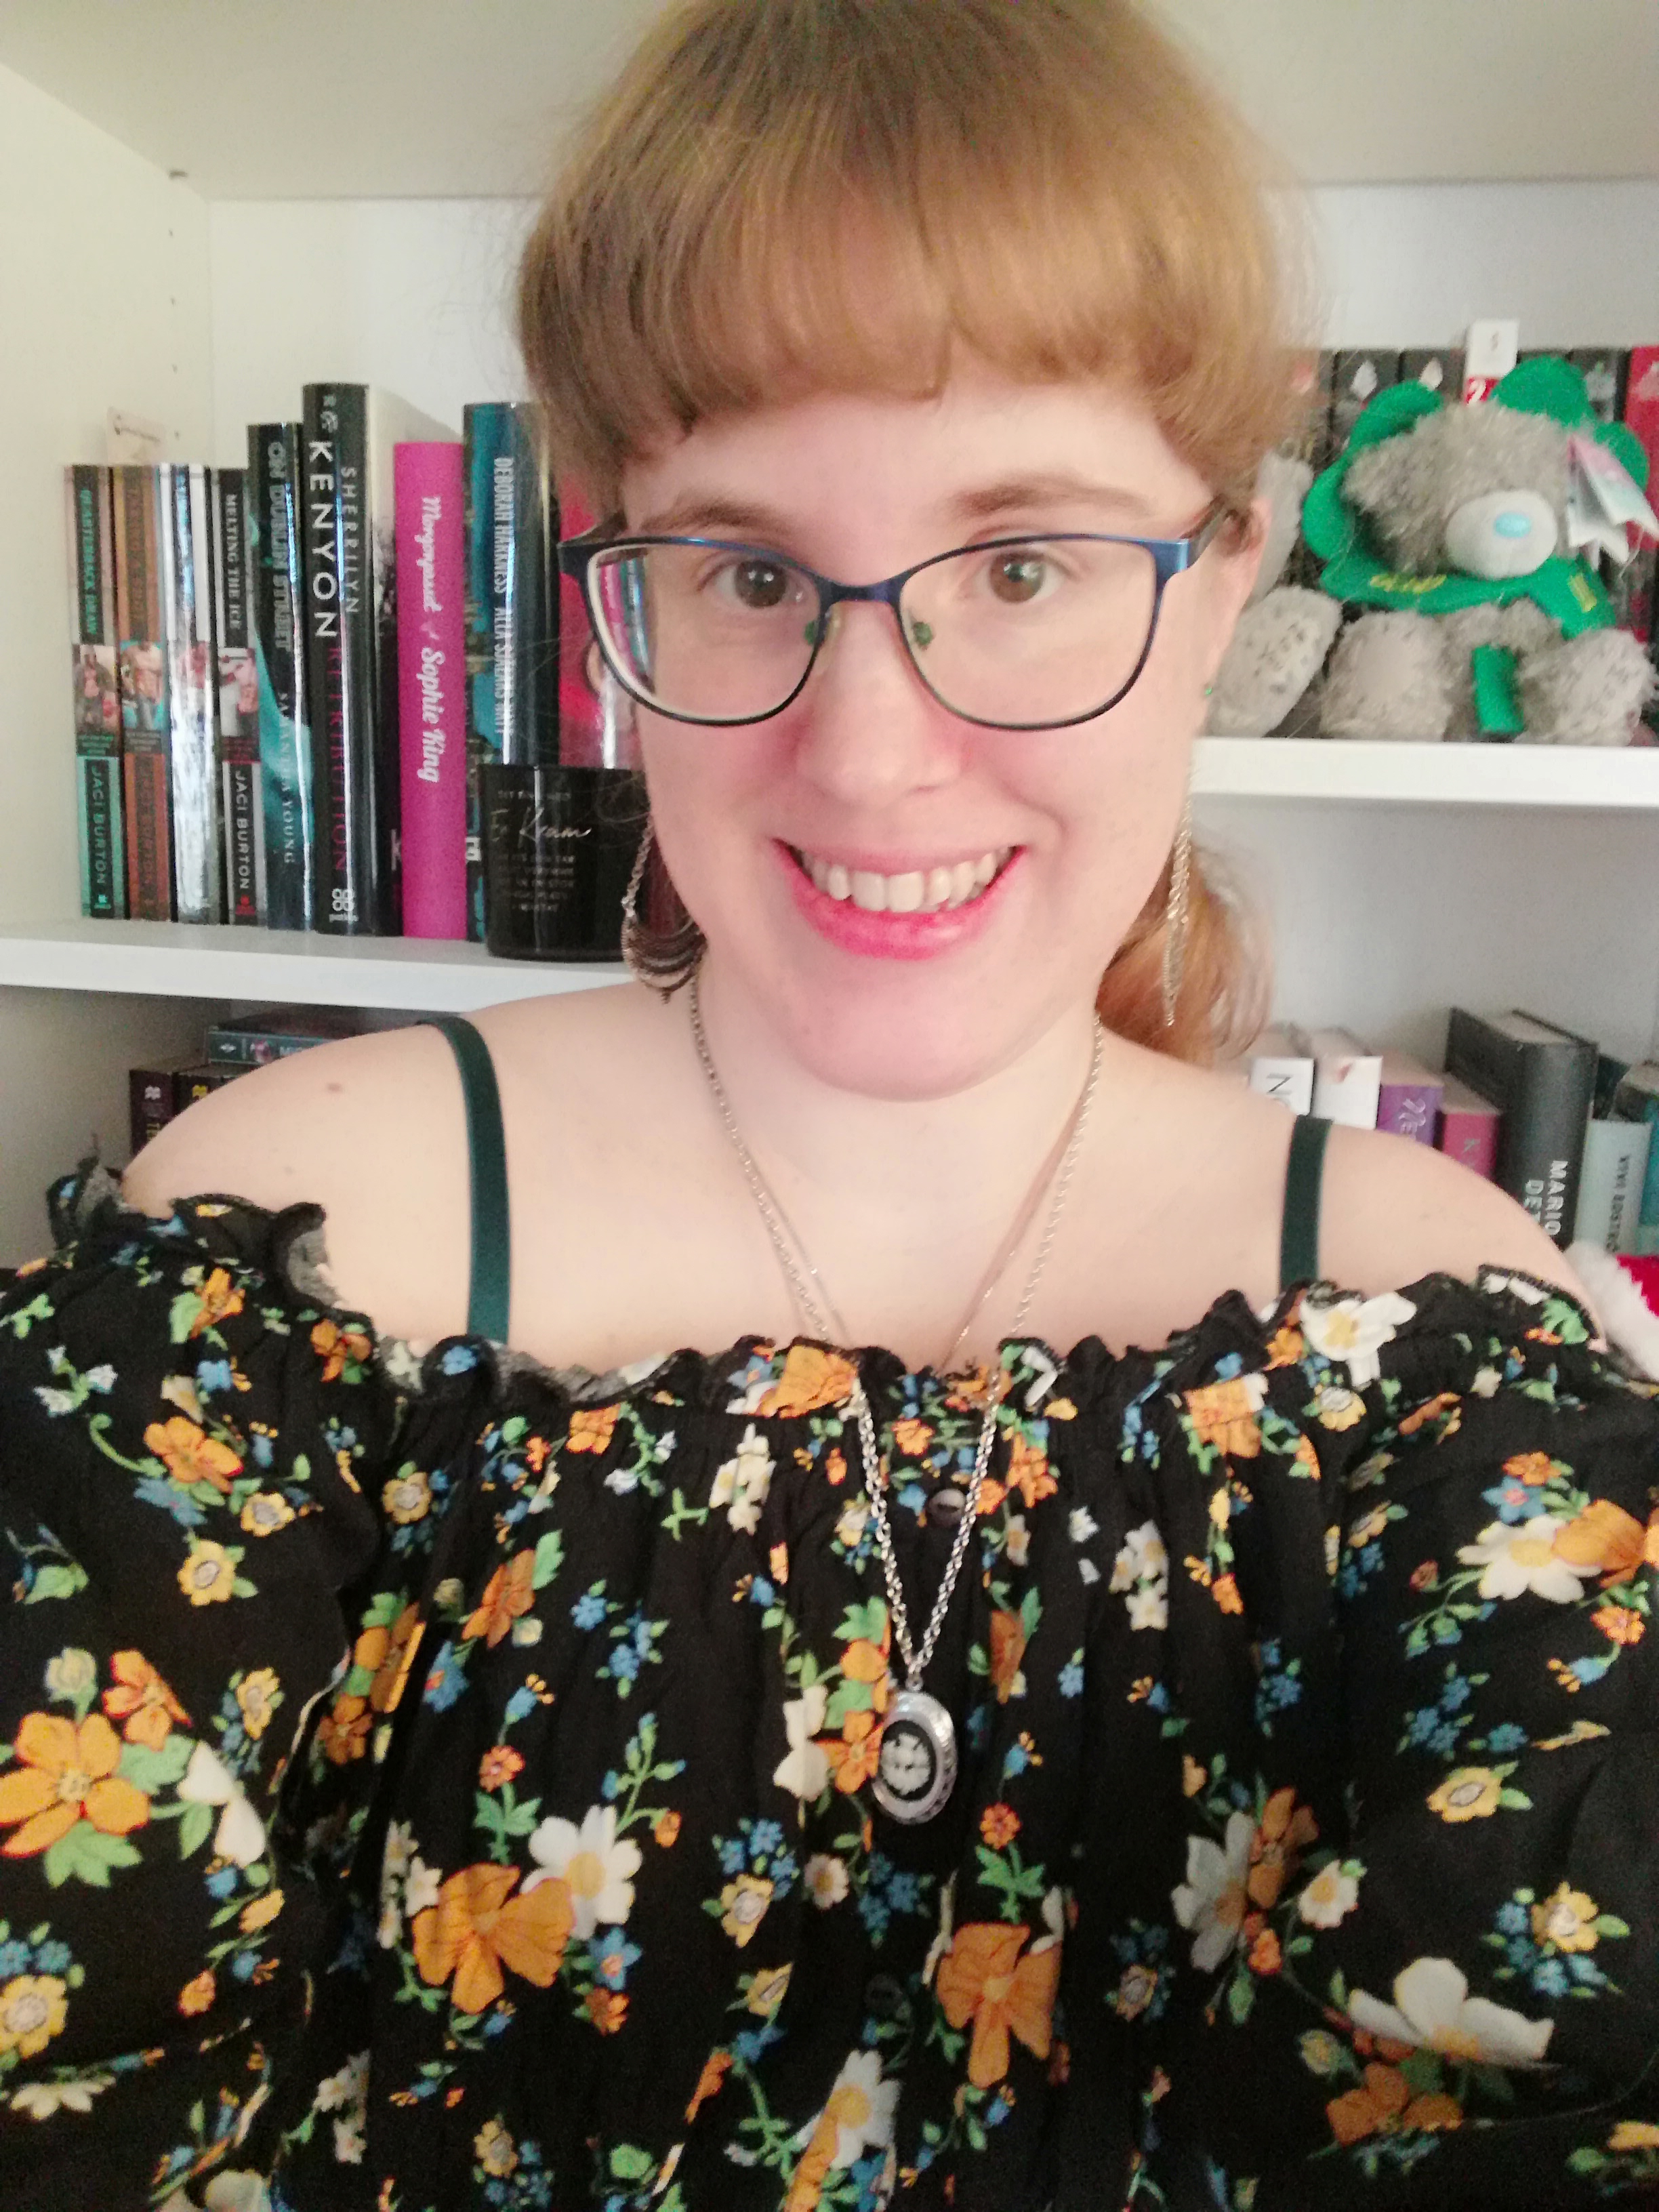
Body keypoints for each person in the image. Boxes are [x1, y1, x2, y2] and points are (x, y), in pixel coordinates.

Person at [2, 3, 1655, 2206]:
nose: (871, 755)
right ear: (616, 595)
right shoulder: (286, 1252)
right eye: (753, 571)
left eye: (1024, 564)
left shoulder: (1448, 1336)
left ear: (1224, 591)